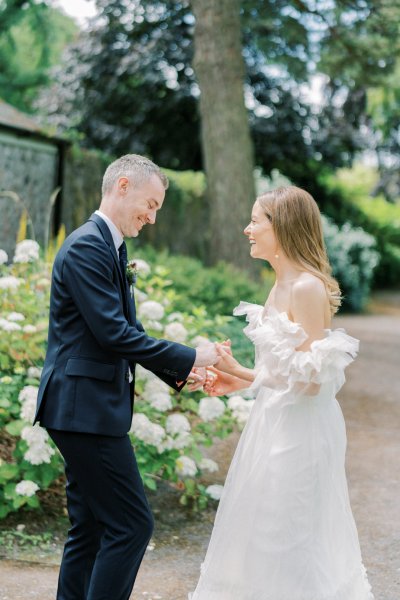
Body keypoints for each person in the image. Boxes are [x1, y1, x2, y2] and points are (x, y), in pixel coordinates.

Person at [34, 154, 217, 600]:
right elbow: (113, 333)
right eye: (149, 204)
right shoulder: (86, 247)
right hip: (83, 410)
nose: (152, 217)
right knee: (133, 525)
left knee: (93, 526)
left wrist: (183, 372)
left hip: (84, 407)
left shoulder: (109, 245)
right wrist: (194, 354)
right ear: (121, 186)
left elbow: (125, 331)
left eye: (157, 208)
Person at [189, 186, 374, 600]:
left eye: (256, 221)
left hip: (302, 430)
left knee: (289, 530)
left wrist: (238, 370)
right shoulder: (277, 287)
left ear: (283, 227)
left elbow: (311, 383)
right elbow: (279, 372)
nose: (247, 229)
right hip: (273, 421)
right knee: (260, 529)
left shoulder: (307, 288)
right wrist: (237, 381)